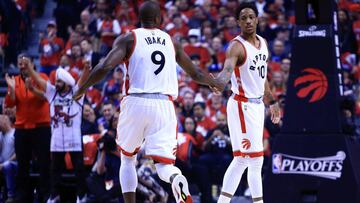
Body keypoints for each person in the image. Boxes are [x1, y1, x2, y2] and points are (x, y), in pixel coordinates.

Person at [73, 2, 224, 203]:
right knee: (164, 165)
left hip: (136, 102)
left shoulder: (129, 38)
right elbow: (195, 73)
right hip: (164, 105)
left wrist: (83, 87)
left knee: (127, 158)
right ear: (159, 20)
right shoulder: (171, 41)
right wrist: (212, 82)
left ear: (140, 19)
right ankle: (175, 178)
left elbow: (106, 65)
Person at [213, 3, 281, 203]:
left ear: (258, 19)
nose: (248, 21)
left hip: (257, 105)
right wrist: (219, 82)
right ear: (238, 22)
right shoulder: (236, 46)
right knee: (249, 159)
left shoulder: (263, 42)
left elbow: (262, 78)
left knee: (250, 159)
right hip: (242, 105)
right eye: (244, 18)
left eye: (251, 16)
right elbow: (227, 71)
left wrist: (272, 101)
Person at [23, 58, 91, 203]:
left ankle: (82, 195)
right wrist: (29, 68)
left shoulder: (76, 93)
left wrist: (86, 68)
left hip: (73, 137)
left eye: (59, 82)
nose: (56, 84)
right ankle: (55, 195)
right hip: (57, 139)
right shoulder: (52, 93)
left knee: (79, 169)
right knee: (55, 171)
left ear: (66, 83)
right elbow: (40, 81)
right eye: (56, 81)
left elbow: (83, 80)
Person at [4, 54, 51, 203]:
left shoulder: (42, 76)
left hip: (41, 127)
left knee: (44, 163)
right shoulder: (15, 81)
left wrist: (31, 88)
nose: (22, 66)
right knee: (22, 164)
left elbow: (46, 96)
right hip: (22, 128)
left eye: (25, 63)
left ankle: (45, 195)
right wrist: (11, 90)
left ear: (32, 63)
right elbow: (10, 105)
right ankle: (22, 195)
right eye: (20, 64)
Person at [0, 115, 17, 203]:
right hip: (2, 163)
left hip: (14, 163)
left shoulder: (15, 133)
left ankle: (11, 196)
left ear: (5, 121)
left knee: (7, 165)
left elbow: (18, 153)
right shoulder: (1, 135)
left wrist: (5, 163)